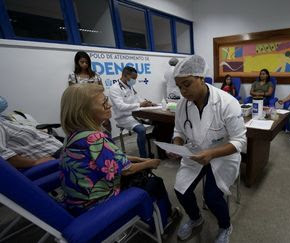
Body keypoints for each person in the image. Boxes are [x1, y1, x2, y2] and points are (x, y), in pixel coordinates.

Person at [59, 84, 178, 226]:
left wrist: (140, 159)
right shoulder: (96, 139)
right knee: (155, 182)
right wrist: (150, 163)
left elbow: (112, 158)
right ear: (84, 111)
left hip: (76, 202)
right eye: (104, 103)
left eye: (107, 100)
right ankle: (166, 220)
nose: (109, 105)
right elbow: (126, 170)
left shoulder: (73, 136)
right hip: (96, 205)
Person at [170, 55, 246, 243]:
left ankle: (225, 226)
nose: (183, 91)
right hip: (195, 153)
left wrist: (211, 153)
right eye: (179, 87)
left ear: (201, 78)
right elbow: (178, 130)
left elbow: (240, 141)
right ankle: (196, 219)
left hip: (223, 155)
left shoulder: (227, 103)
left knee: (211, 196)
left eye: (187, 84)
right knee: (181, 190)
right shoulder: (182, 105)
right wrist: (177, 145)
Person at [0, 96, 62, 168]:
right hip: (54, 158)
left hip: (60, 152)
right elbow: (3, 154)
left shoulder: (5, 119)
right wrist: (34, 163)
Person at [109, 66, 154, 158]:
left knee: (156, 122)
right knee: (141, 130)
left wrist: (147, 102)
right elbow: (121, 107)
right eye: (133, 78)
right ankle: (143, 157)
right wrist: (140, 105)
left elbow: (138, 98)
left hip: (136, 114)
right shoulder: (115, 88)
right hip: (124, 117)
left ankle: (154, 148)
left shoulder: (130, 86)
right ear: (125, 76)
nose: (134, 80)